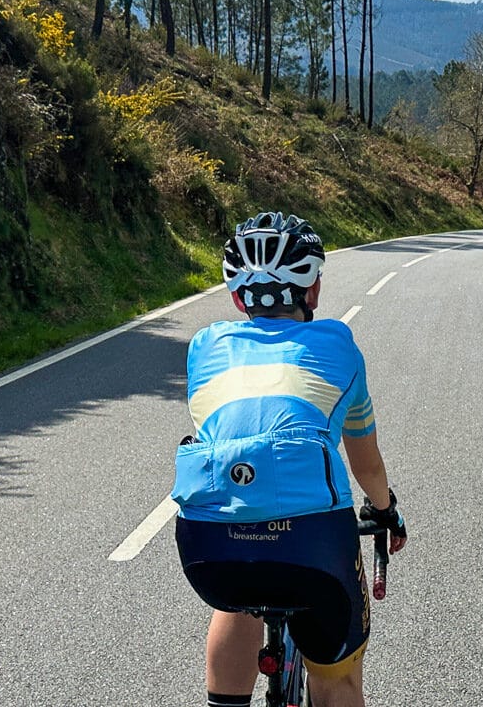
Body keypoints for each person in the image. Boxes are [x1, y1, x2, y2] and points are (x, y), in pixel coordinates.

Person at [171, 212, 409, 707]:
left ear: (237, 297)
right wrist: (385, 511)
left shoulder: (204, 346)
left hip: (208, 550)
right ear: (314, 291)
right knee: (337, 677)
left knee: (239, 598)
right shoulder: (337, 343)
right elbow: (365, 464)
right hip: (311, 542)